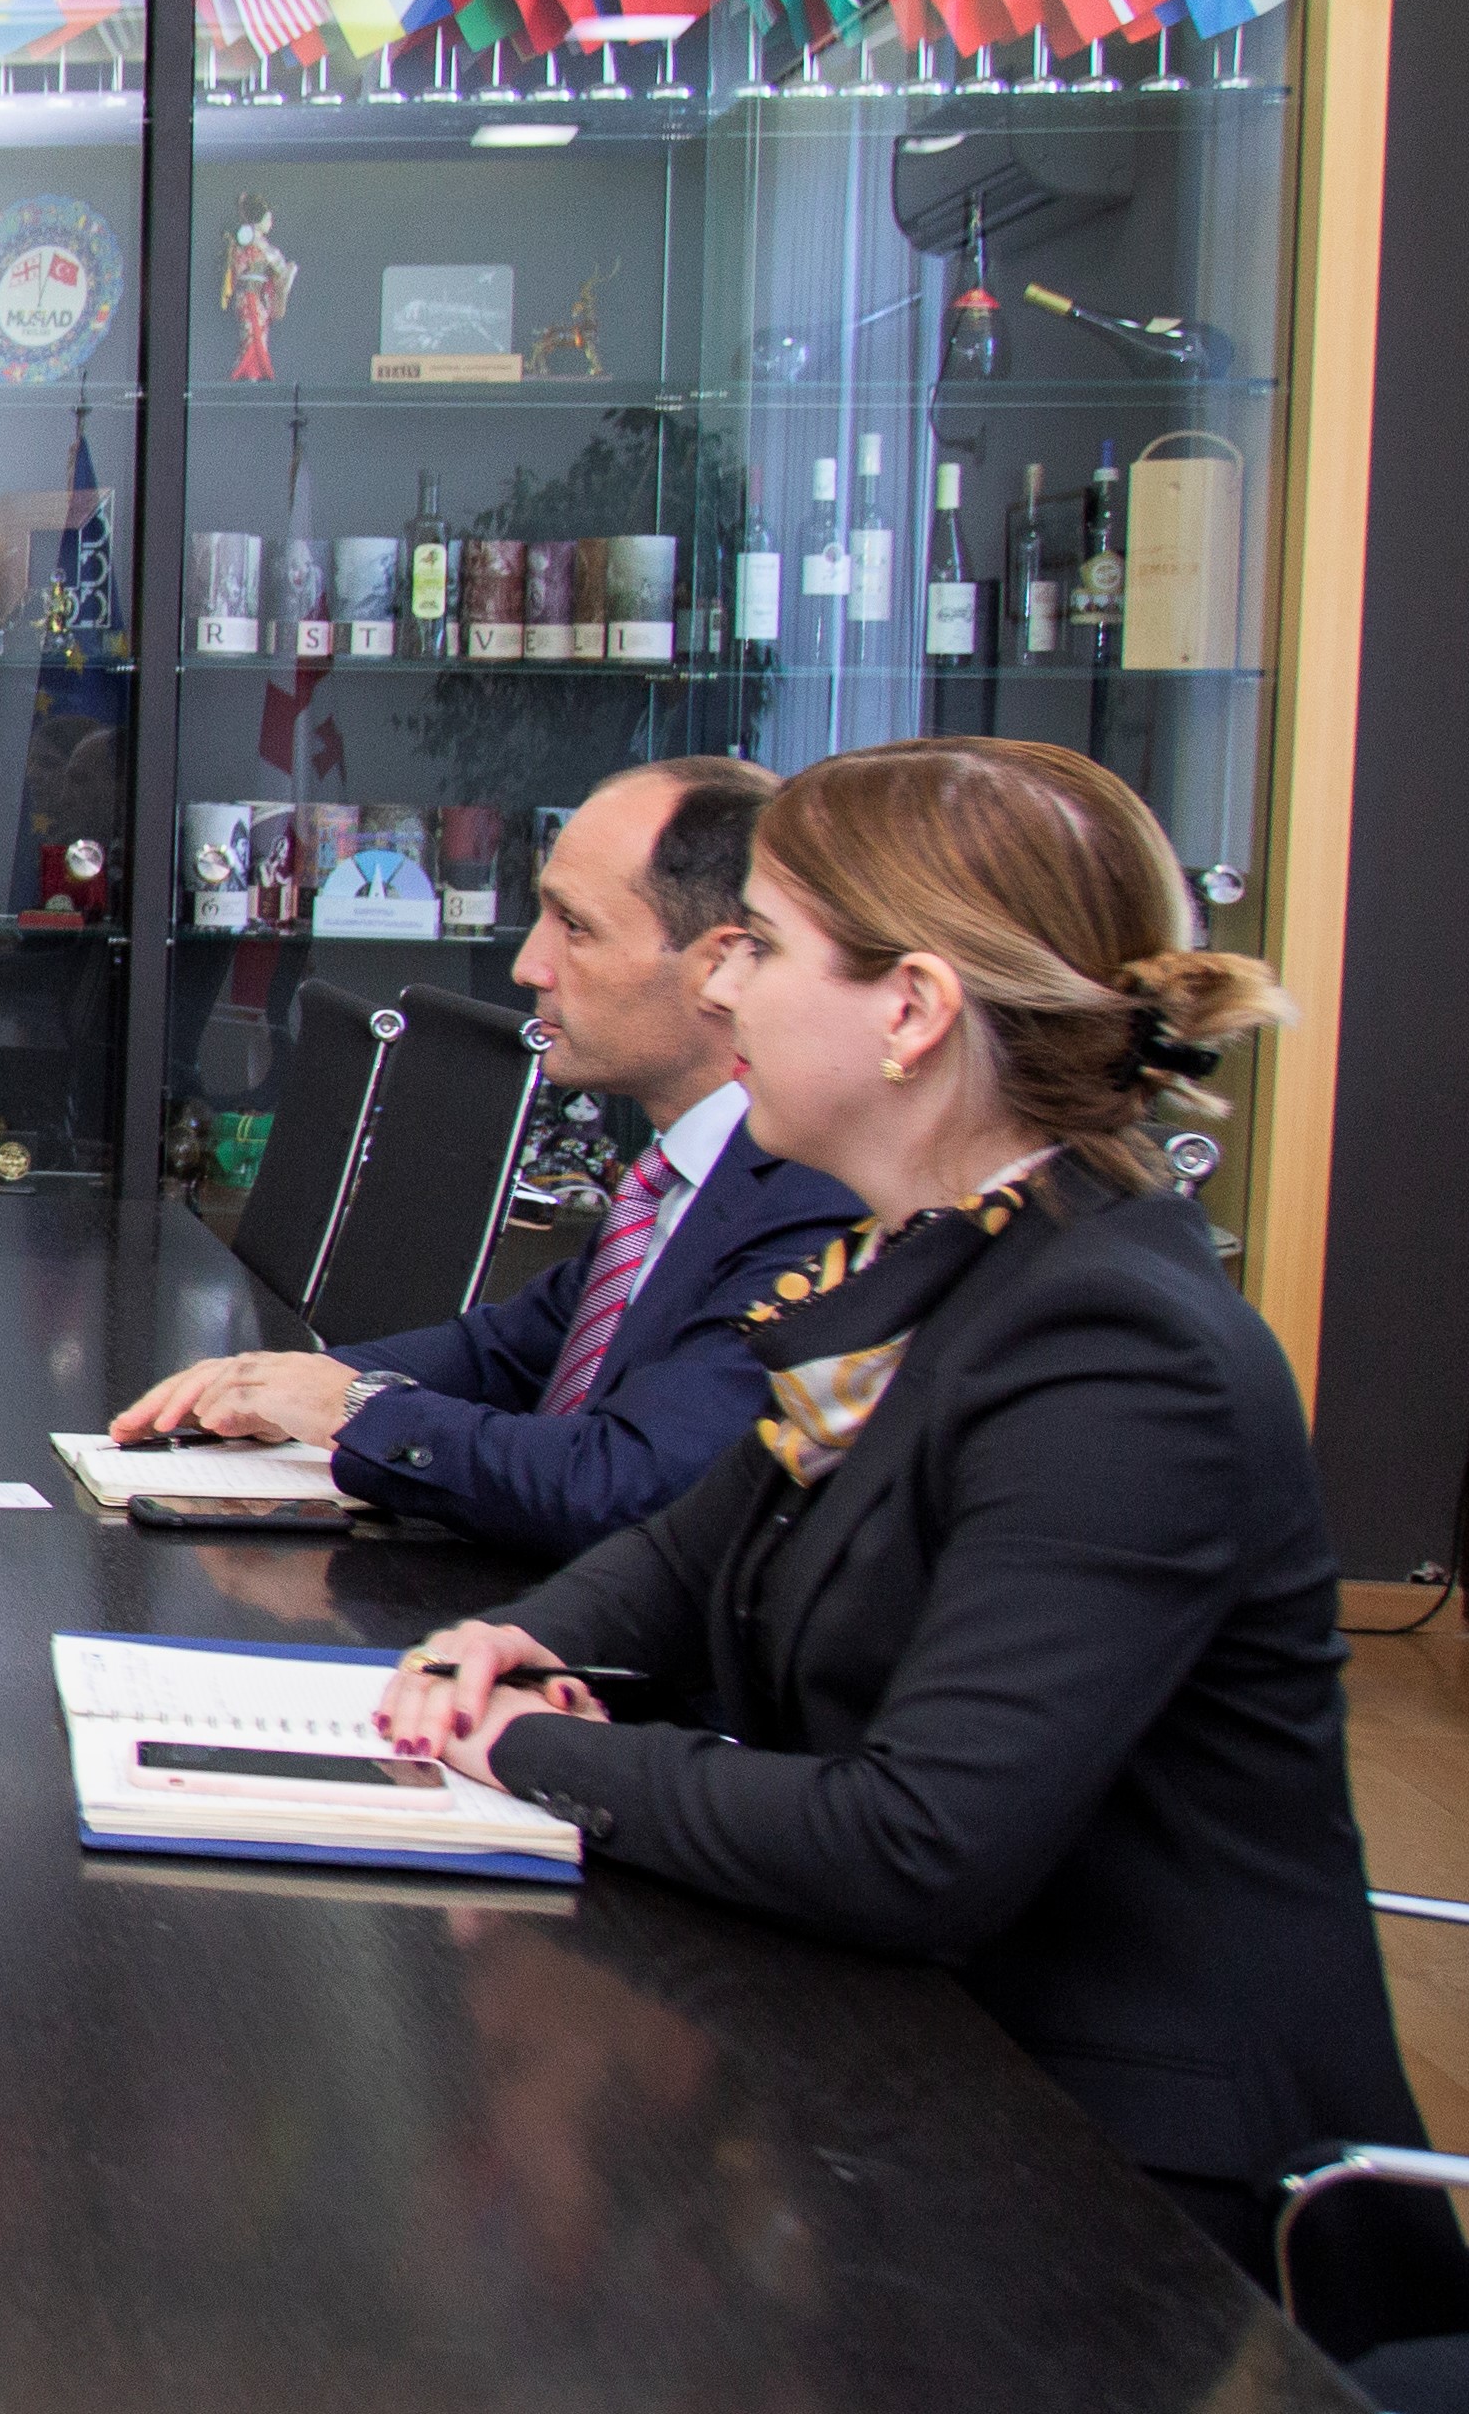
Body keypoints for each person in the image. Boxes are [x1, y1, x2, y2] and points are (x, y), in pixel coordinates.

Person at [377, 737, 1469, 2357]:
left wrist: (521, 1747)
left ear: (911, 1011)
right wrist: (512, 1643)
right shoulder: (939, 1262)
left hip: (1135, 2209)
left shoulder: (1117, 1352)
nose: (718, 989)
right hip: (917, 2071)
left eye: (759, 947)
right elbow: (685, 1551)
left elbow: (915, 1839)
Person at [114, 758, 861, 1560]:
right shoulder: (676, 1180)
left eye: (576, 927)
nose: (528, 966)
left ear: (722, 965)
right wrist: (274, 1387)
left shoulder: (815, 1195)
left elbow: (630, 1483)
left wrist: (353, 1408)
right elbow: (504, 1351)